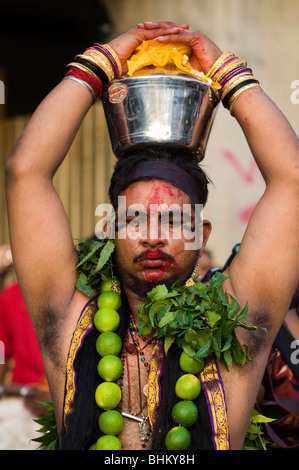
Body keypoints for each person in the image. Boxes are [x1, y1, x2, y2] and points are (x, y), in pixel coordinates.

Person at [4, 21, 299, 450]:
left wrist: (223, 68)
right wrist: (103, 61)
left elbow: (291, 179)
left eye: (177, 222)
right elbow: (24, 171)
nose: (154, 237)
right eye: (136, 218)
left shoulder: (239, 330)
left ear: (203, 233)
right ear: (110, 228)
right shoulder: (68, 321)